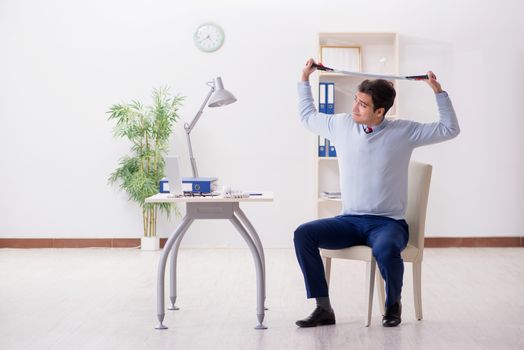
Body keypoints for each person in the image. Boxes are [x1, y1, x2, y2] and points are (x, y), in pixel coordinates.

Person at [294, 58, 460, 328]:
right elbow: (307, 117)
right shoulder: (342, 125)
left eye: (363, 104)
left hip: (388, 223)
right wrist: (304, 79)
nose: (355, 108)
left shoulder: (403, 131)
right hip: (348, 221)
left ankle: (392, 307)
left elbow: (449, 129)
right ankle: (323, 309)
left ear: (380, 111)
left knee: (385, 249)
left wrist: (438, 92)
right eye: (356, 100)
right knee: (304, 234)